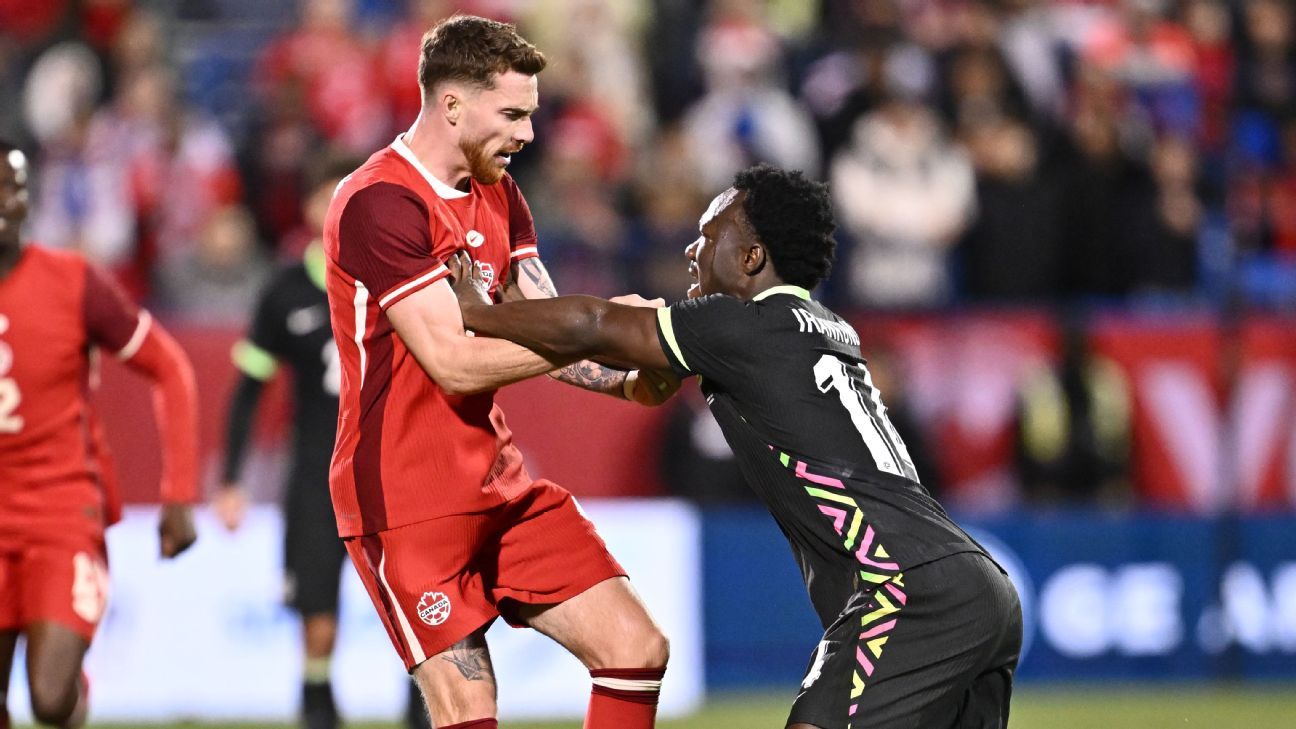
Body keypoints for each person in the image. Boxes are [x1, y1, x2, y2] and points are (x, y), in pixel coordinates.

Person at [450, 164, 1023, 729]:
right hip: (979, 585)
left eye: (708, 235)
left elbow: (594, 324)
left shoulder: (743, 324)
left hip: (902, 588)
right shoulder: (827, 328)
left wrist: (482, 311)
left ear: (751, 258)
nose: (691, 251)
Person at [321, 15, 672, 729]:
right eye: (512, 114)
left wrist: (627, 377)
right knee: (471, 708)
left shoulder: (500, 192)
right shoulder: (380, 202)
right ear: (452, 105)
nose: (529, 134)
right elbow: (453, 363)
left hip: (498, 483)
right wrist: (604, 327)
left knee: (636, 648)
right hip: (406, 499)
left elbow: (541, 322)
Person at [213, 157, 432, 729]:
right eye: (329, 196)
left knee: (415, 600)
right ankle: (318, 707)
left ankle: (422, 706)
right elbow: (249, 390)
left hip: (393, 468)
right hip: (316, 474)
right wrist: (231, 479)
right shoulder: (285, 291)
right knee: (317, 614)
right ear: (312, 207)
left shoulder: (398, 276)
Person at [0, 140, 199, 729]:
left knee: (50, 697)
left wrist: (179, 493)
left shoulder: (71, 282)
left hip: (60, 510)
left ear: (28, 201)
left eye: (13, 188)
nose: (3, 202)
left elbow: (169, 367)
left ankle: (74, 691)